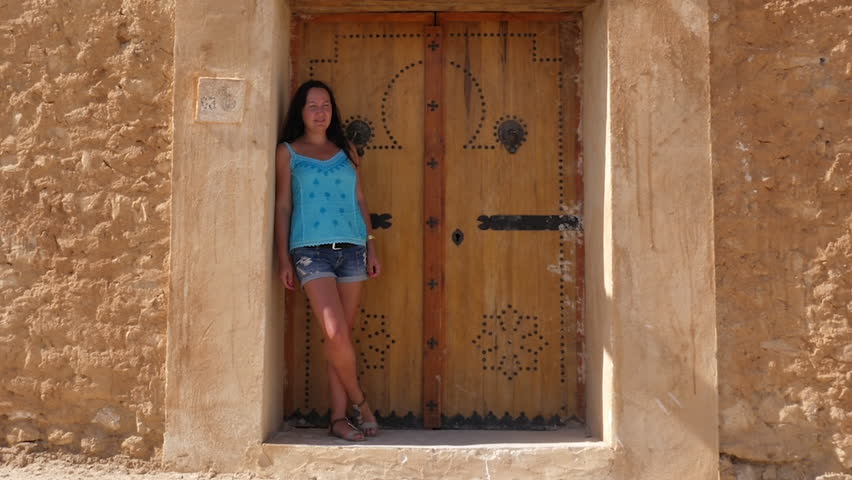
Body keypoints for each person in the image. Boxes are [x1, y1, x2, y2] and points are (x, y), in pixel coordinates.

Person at [274, 80, 382, 441]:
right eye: (312, 105)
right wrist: (284, 257)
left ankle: (338, 419)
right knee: (334, 333)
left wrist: (371, 245)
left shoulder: (347, 150)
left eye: (325, 105)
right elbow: (284, 205)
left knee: (341, 342)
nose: (320, 112)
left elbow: (361, 200)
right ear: (300, 112)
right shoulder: (288, 152)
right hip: (310, 252)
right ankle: (360, 403)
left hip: (352, 249)